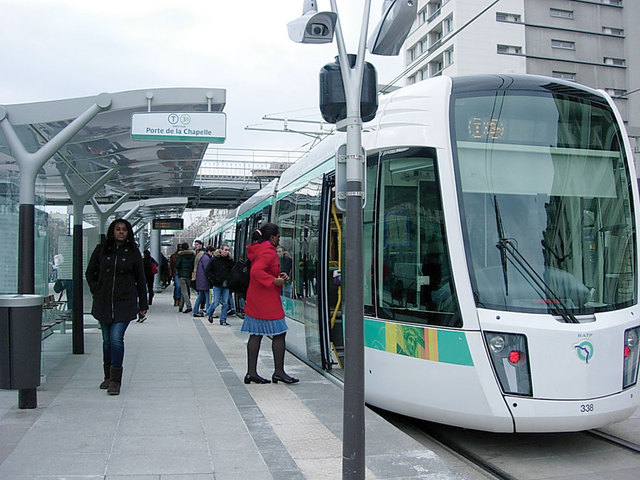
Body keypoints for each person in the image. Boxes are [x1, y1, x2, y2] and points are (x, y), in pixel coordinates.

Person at [85, 219, 148, 396]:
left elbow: (141, 279)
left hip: (124, 302)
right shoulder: (102, 250)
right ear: (112, 231)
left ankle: (115, 381)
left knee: (116, 339)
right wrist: (96, 289)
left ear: (128, 233)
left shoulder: (134, 252)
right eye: (118, 229)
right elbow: (90, 272)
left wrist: (143, 304)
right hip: (104, 302)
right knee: (106, 342)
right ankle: (107, 376)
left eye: (124, 230)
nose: (121, 232)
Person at [241, 223, 298, 385]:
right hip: (266, 299)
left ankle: (251, 373)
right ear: (272, 237)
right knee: (280, 333)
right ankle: (278, 372)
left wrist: (279, 275)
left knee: (256, 334)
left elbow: (262, 270)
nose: (280, 239)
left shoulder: (259, 249)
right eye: (278, 236)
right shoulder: (268, 251)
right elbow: (256, 271)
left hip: (257, 297)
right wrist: (274, 280)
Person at [205, 243, 234, 325]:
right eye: (225, 250)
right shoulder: (214, 259)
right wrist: (213, 279)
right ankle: (209, 312)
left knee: (225, 303)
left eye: (228, 250)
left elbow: (233, 271)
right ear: (221, 250)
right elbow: (208, 271)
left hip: (226, 285)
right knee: (216, 302)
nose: (227, 252)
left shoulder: (230, 261)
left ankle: (223, 320)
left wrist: (230, 280)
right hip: (217, 284)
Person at [174, 242, 195, 313]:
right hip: (189, 275)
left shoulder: (181, 255)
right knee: (185, 290)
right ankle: (180, 307)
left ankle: (189, 306)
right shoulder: (192, 255)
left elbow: (176, 264)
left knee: (184, 291)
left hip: (182, 275)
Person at [193, 245, 213, 317]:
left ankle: (195, 310)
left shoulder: (204, 257)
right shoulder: (206, 258)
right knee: (208, 297)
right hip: (205, 281)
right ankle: (208, 311)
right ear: (209, 251)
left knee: (201, 296)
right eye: (212, 252)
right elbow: (207, 269)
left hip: (201, 281)